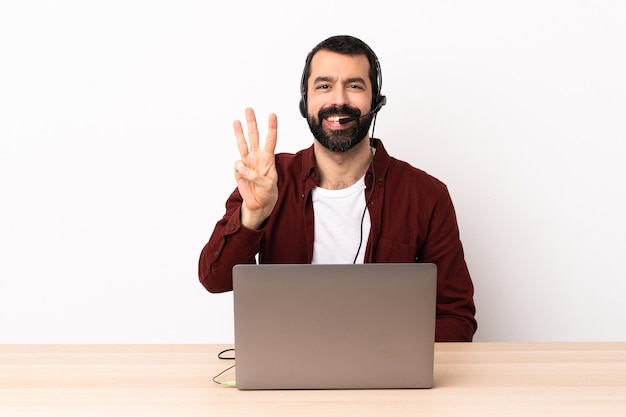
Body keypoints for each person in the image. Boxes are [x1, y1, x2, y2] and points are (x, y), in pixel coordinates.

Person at [198, 35, 477, 342]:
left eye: (355, 86)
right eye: (324, 85)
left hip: (387, 380)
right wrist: (253, 215)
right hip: (288, 380)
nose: (339, 100)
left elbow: (456, 317)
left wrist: (396, 353)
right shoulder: (269, 180)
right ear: (305, 100)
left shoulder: (426, 195)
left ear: (376, 101)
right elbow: (215, 279)